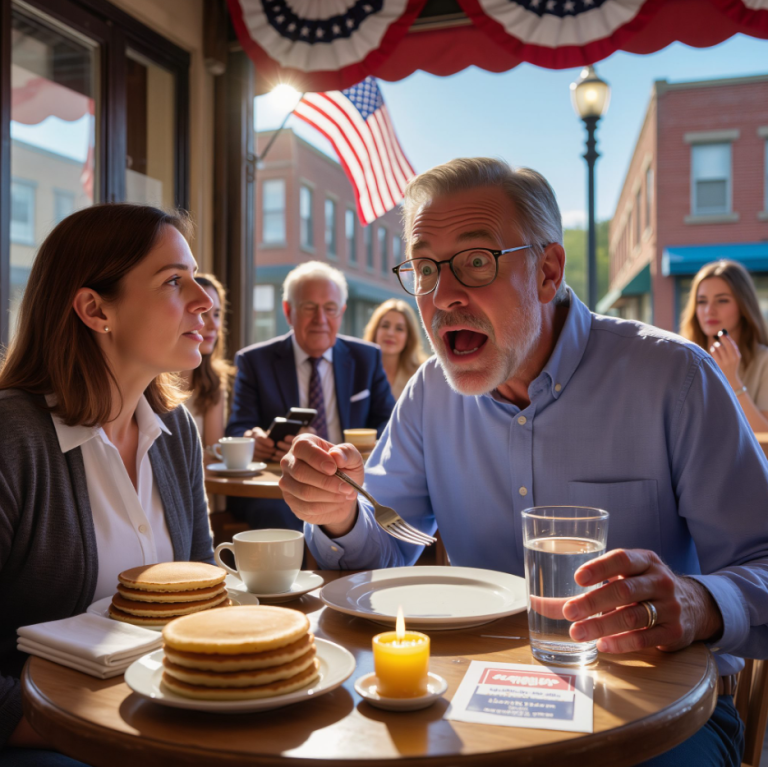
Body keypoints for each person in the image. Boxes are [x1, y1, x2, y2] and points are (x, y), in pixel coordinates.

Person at [279, 159, 768, 766]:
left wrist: (699, 602)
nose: (444, 296)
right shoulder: (429, 393)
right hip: (471, 705)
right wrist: (339, 516)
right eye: (425, 268)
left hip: (657, 715)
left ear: (547, 271)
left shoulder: (674, 378)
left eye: (476, 261)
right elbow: (387, 549)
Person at [0, 204, 215, 763]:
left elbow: (203, 587)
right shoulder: (11, 439)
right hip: (50, 737)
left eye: (195, 277)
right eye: (174, 280)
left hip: (169, 716)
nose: (204, 299)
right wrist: (83, 731)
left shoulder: (175, 429)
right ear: (96, 310)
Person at [226, 261, 395, 530]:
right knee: (277, 516)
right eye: (309, 308)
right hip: (281, 486)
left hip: (352, 482)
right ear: (288, 311)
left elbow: (389, 422)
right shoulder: (254, 361)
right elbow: (238, 426)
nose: (321, 319)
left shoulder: (367, 358)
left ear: (341, 312)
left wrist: (358, 457)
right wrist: (251, 438)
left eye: (330, 309)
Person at [680, 259, 768, 432]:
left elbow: (764, 440)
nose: (709, 310)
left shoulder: (763, 361)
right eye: (702, 301)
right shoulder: (683, 357)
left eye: (722, 301)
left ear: (743, 306)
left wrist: (732, 381)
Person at [180, 273, 235, 448]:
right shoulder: (151, 377)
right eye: (204, 314)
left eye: (217, 314)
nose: (214, 325)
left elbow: (213, 454)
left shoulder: (213, 380)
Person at [363, 298, 428, 399]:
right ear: (375, 330)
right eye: (385, 326)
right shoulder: (359, 369)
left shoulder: (422, 376)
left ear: (409, 337)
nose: (390, 333)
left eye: (399, 329)